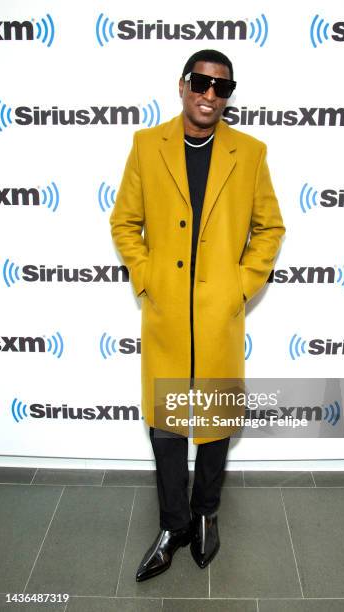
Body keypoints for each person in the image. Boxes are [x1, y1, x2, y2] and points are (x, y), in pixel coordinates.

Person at [109, 49, 285, 582]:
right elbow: (124, 223)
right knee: (166, 428)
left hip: (217, 317)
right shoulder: (146, 146)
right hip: (165, 317)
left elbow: (270, 229)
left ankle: (206, 516)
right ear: (183, 85)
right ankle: (172, 525)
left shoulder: (250, 153)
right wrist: (148, 278)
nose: (210, 95)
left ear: (228, 95)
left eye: (221, 88)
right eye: (201, 83)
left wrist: (241, 286)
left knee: (211, 427)